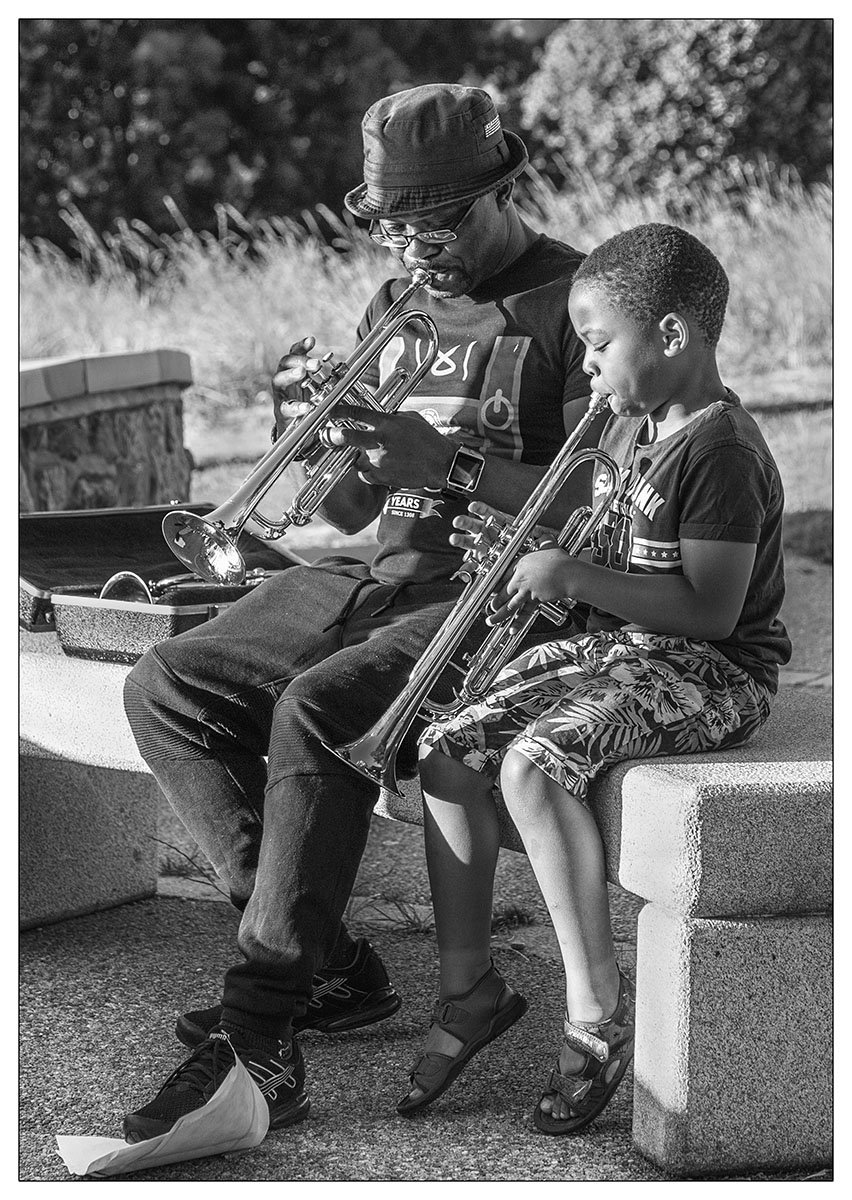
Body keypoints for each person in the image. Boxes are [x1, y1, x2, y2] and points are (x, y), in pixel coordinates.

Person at [121, 82, 601, 1141]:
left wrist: (458, 460)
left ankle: (261, 1034)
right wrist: (318, 432)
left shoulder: (575, 298)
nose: (415, 247)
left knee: (316, 708)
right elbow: (345, 505)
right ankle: (330, 967)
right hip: (383, 575)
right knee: (167, 682)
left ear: (500, 189)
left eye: (435, 222)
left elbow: (604, 492)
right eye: (395, 225)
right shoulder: (393, 306)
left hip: (503, 589)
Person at [399, 222, 792, 1134]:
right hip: (629, 649)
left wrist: (572, 580)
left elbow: (709, 612)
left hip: (715, 672)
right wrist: (533, 556)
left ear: (672, 337)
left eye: (597, 343)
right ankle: (468, 989)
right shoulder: (626, 426)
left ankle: (595, 1012)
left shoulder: (720, 450)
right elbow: (609, 557)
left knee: (530, 766)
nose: (584, 368)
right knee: (448, 749)